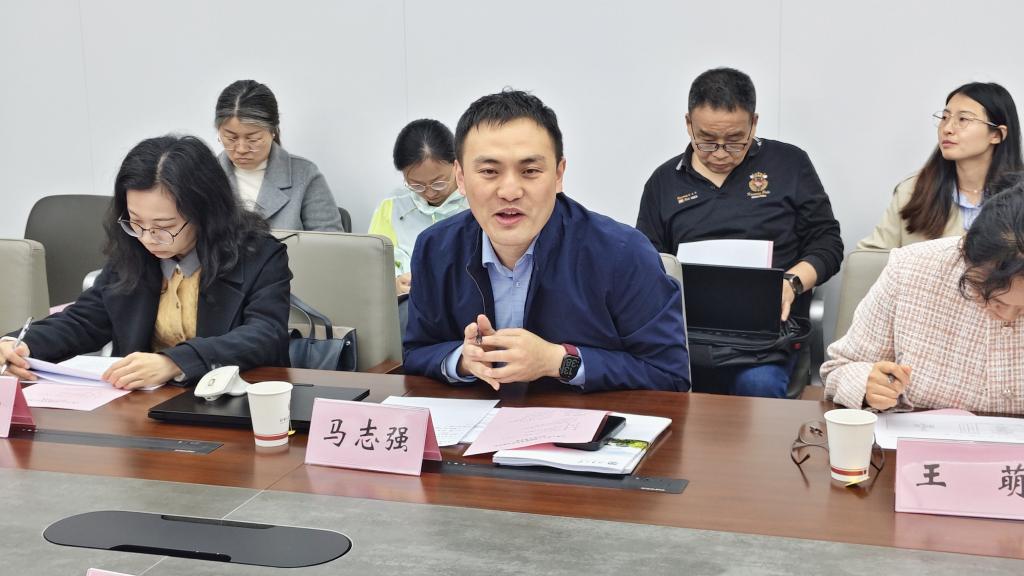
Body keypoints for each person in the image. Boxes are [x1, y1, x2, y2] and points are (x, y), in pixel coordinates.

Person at [403, 89, 690, 393]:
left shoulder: (622, 253)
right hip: (474, 420)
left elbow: (669, 373)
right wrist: (463, 360)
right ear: (460, 177)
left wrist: (558, 361)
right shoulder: (434, 249)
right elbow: (416, 352)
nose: (510, 192)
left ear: (558, 174)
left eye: (530, 171)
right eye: (489, 171)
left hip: (581, 420)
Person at [0, 135, 292, 389]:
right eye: (136, 222)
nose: (148, 238)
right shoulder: (135, 251)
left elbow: (265, 335)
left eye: (164, 226)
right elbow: (85, 320)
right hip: (141, 408)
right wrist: (19, 345)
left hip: (229, 401)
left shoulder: (259, 255)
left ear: (205, 213)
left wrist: (175, 362)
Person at [636, 67, 843, 398]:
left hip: (764, 337)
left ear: (754, 123)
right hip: (689, 334)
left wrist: (791, 283)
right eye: (706, 140)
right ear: (688, 124)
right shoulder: (664, 182)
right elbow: (647, 262)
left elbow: (827, 242)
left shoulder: (789, 165)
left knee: (757, 387)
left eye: (735, 141)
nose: (720, 153)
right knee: (652, 386)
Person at [823, 181, 1024, 414]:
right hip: (916, 435)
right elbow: (839, 369)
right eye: (992, 299)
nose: (1007, 315)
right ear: (965, 252)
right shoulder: (911, 270)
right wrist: (867, 385)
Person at [858, 82, 1023, 249]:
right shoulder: (913, 190)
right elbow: (869, 256)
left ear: (996, 135)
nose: (947, 128)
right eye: (944, 118)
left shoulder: (1019, 197)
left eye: (963, 119)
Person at [214, 80, 343, 231]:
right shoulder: (203, 175)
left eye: (253, 139)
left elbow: (329, 240)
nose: (241, 149)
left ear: (273, 131)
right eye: (231, 138)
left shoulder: (305, 175)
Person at [369, 119, 470, 295]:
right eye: (417, 185)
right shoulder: (393, 206)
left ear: (457, 164)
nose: (429, 193)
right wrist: (393, 285)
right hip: (408, 301)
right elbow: (372, 265)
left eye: (438, 183)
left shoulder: (476, 200)